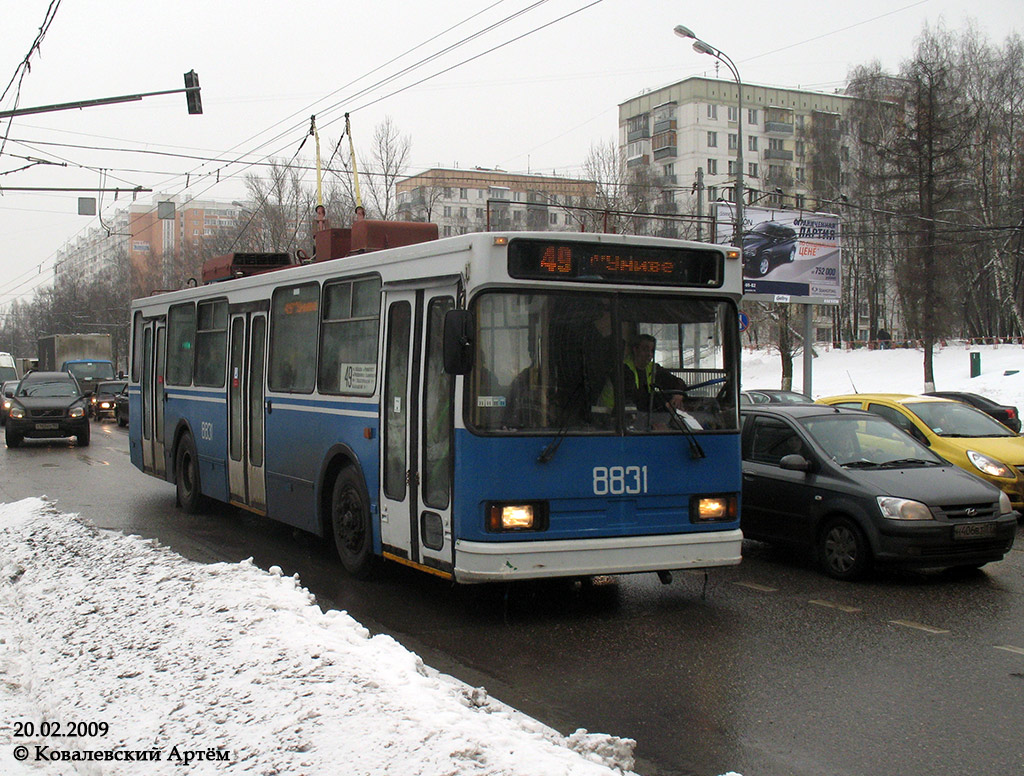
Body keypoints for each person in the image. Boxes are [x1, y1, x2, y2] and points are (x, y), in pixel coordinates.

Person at [620, 333, 688, 412]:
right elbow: (637, 399)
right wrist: (664, 405)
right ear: (635, 349)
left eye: (652, 351)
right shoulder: (624, 369)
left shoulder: (652, 368)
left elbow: (676, 382)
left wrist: (678, 394)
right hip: (613, 414)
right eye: (645, 350)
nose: (650, 354)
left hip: (640, 415)